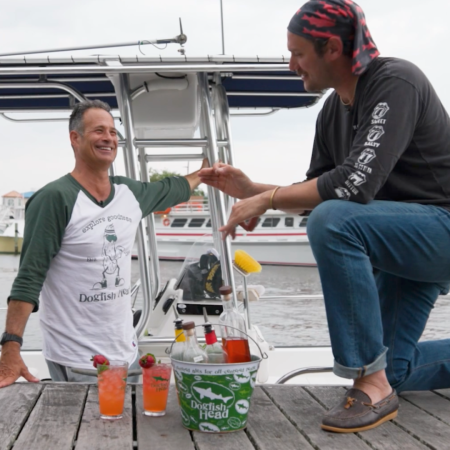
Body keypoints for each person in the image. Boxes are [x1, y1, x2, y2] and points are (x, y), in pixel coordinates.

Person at [198, 0, 450, 433]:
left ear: (332, 47)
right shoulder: (333, 111)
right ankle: (381, 379)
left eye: (297, 53)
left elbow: (354, 187)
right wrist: (252, 191)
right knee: (398, 372)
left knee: (335, 220)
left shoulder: (396, 82)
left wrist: (270, 198)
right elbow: (318, 192)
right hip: (400, 246)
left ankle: (368, 380)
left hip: (439, 229)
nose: (291, 64)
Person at [0, 99, 206, 386]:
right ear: (75, 138)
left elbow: (170, 189)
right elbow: (29, 278)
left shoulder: (128, 192)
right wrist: (11, 347)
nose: (109, 138)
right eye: (99, 130)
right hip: (76, 359)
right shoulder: (55, 198)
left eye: (112, 131)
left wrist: (204, 174)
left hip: (126, 350)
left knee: (130, 427)